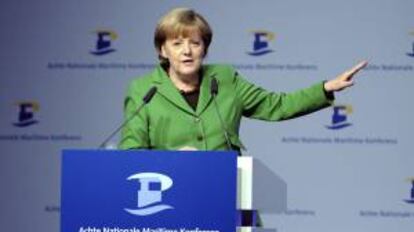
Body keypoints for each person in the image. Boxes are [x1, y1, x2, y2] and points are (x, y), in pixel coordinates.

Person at [119, 7, 367, 153]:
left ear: (204, 49)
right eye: (177, 43)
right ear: (163, 50)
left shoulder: (225, 79)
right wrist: (174, 162)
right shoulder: (144, 90)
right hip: (170, 200)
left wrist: (325, 88)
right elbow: (131, 152)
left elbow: (276, 106)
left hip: (227, 193)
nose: (187, 51)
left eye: (195, 43)